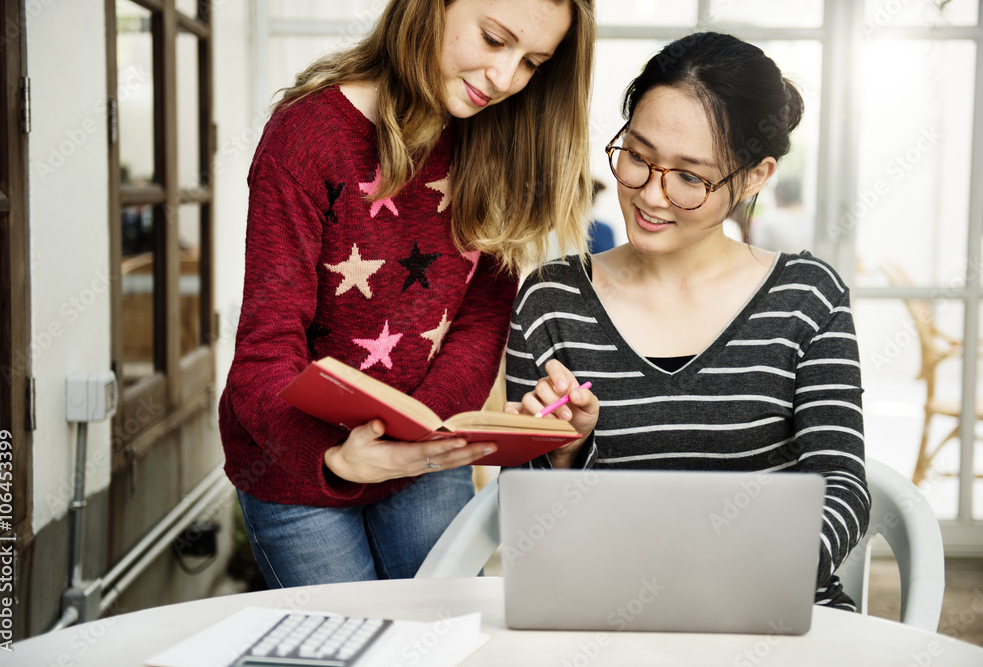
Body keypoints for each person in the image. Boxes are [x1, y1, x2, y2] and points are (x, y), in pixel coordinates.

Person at [220, 0, 596, 588]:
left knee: (439, 637)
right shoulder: (307, 135)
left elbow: (480, 320)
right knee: (348, 643)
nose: (505, 79)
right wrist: (336, 458)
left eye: (533, 63)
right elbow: (266, 351)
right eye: (495, 39)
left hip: (427, 453)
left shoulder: (495, 140)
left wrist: (422, 437)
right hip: (297, 458)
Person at [504, 32, 870, 610]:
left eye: (691, 178)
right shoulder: (553, 300)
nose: (652, 195)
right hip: (607, 614)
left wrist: (746, 574)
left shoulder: (807, 297)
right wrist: (567, 451)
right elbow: (529, 517)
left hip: (774, 609)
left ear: (754, 177)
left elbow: (842, 487)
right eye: (638, 157)